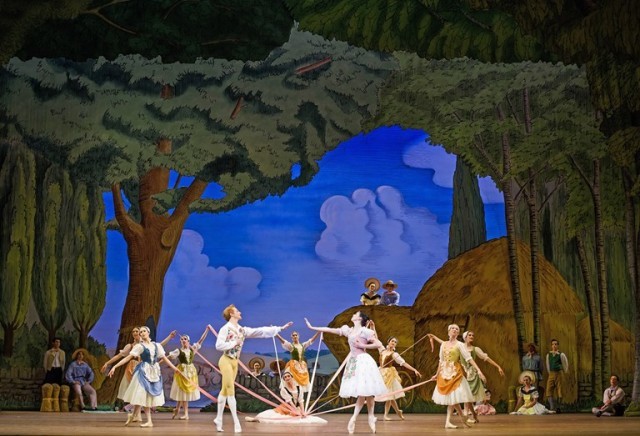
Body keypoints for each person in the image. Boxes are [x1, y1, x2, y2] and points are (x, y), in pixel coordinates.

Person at [212, 304, 293, 433]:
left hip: (234, 362)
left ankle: (218, 419)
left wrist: (279, 328)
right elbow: (219, 345)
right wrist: (234, 343)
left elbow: (259, 331)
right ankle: (236, 422)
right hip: (226, 360)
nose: (240, 312)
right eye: (237, 311)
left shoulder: (241, 330)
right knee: (230, 390)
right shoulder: (225, 329)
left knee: (225, 390)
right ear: (231, 314)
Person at [305, 311, 387, 434]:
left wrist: (362, 345)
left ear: (359, 318)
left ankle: (360, 418)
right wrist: (312, 327)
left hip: (363, 361)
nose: (353, 315)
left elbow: (378, 344)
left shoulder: (365, 331)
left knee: (367, 392)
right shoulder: (349, 330)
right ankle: (365, 417)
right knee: (365, 392)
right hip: (354, 362)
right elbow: (330, 330)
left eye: (355, 314)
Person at [108, 326, 180, 428]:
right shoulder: (140, 346)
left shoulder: (156, 345)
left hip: (153, 372)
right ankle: (149, 421)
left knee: (144, 396)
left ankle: (133, 415)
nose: (142, 333)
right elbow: (128, 357)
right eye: (140, 332)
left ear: (148, 332)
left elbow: (165, 358)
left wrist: (174, 368)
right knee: (143, 395)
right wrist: (115, 366)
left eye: (144, 331)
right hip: (142, 371)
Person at [427, 329, 504, 423]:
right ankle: (469, 415)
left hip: (472, 375)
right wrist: (434, 337)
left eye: (473, 335)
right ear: (465, 337)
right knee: (465, 397)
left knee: (467, 397)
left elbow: (485, 358)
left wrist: (498, 366)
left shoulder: (474, 349)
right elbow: (446, 344)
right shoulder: (459, 346)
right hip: (461, 373)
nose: (472, 337)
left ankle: (467, 415)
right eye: (469, 335)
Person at [427, 324, 485, 429]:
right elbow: (441, 360)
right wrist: (436, 374)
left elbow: (469, 358)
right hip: (445, 373)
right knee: (453, 398)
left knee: (454, 397)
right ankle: (461, 418)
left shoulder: (460, 345)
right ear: (448, 331)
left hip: (455, 372)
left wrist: (479, 370)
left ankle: (449, 422)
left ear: (458, 333)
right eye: (452, 328)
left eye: (457, 329)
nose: (454, 329)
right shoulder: (443, 344)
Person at [245, 369, 327, 424]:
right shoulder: (284, 390)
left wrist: (303, 411)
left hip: (296, 407)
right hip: (287, 407)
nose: (287, 378)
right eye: (285, 377)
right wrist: (295, 411)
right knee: (269, 415)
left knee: (302, 417)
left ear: (292, 377)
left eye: (288, 376)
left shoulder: (299, 388)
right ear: (284, 380)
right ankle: (254, 419)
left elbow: (301, 400)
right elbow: (290, 402)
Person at [374, 336, 421, 421]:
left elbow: (403, 363)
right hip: (381, 374)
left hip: (389, 375)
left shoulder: (394, 354)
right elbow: (376, 339)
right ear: (388, 342)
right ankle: (398, 411)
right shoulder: (382, 350)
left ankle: (385, 415)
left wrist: (414, 370)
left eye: (395, 342)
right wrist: (373, 329)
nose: (393, 343)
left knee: (389, 395)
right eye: (392, 341)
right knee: (390, 396)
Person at [168, 330, 209, 420]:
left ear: (188, 341)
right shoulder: (178, 351)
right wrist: (158, 363)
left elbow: (200, 340)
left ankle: (179, 410)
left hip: (190, 372)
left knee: (184, 392)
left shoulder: (192, 349)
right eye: (182, 339)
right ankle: (182, 412)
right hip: (182, 372)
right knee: (182, 391)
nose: (183, 340)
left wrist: (207, 330)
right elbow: (168, 357)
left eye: (185, 339)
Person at [545, 338, 568, 412]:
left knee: (560, 390)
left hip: (559, 373)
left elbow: (565, 364)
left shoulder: (561, 354)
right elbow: (548, 365)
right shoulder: (548, 355)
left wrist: (564, 371)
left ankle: (558, 407)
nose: (554, 346)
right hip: (551, 373)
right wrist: (550, 373)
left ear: (558, 345)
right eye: (553, 344)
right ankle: (552, 407)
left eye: (555, 344)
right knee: (549, 390)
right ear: (551, 346)